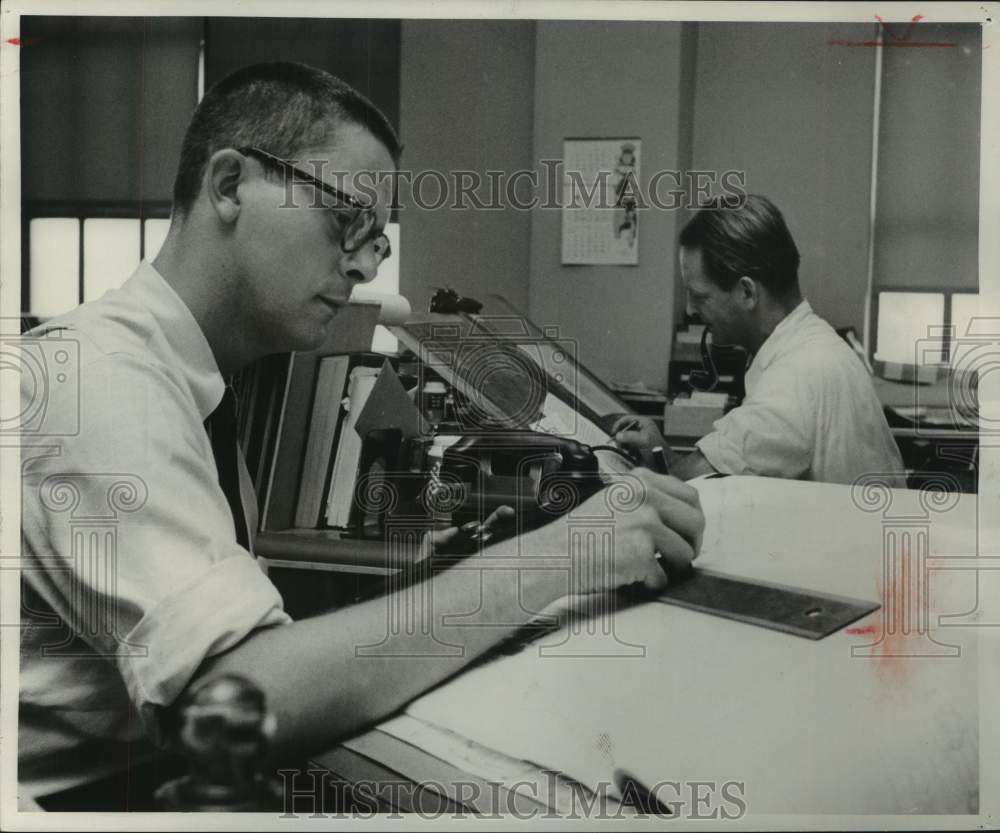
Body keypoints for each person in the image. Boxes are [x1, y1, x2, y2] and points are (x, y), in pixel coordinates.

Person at [18, 62, 704, 807]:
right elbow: (229, 701)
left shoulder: (201, 382)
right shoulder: (103, 382)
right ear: (228, 185)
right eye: (346, 219)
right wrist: (551, 559)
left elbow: (244, 651)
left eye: (378, 236)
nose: (366, 261)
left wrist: (433, 594)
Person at [613, 194, 905, 486]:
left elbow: (688, 485)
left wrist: (658, 455)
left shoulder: (796, 374)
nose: (690, 309)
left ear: (747, 293)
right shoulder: (814, 344)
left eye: (700, 296)